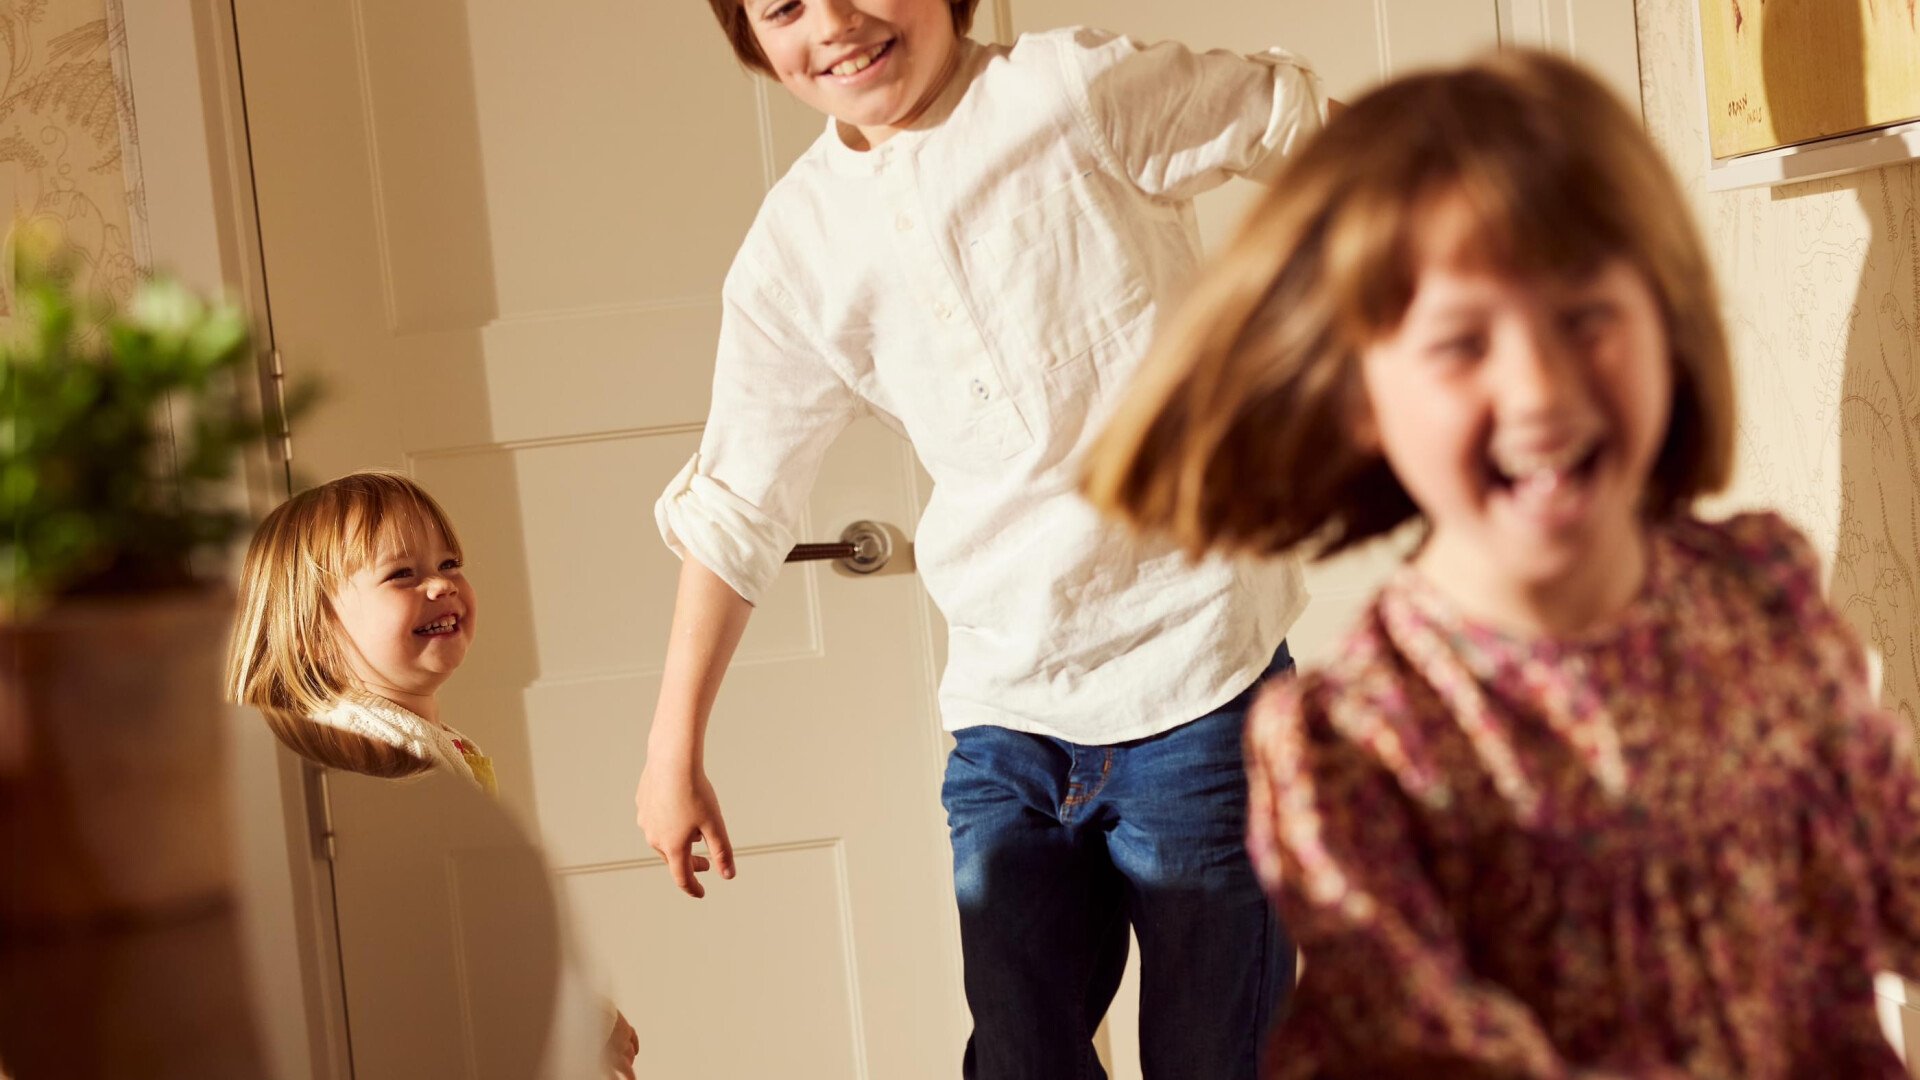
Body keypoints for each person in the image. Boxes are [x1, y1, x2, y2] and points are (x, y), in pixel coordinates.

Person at [1084, 47, 1920, 1079]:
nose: (1538, 389)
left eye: (1587, 318)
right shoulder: (1360, 747)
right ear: (1360, 400)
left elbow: (1887, 865)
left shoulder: (1757, 591)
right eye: (1461, 342)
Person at [642, 1, 1330, 1073]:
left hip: (1203, 685)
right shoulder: (796, 250)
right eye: (782, 7)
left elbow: (1289, 120)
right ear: (752, 41)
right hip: (1009, 714)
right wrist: (671, 747)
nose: (833, 23)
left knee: (1219, 1056)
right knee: (1018, 1058)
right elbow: (738, 502)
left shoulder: (1070, 91)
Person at [228, 470, 640, 1078]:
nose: (441, 583)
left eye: (450, 562)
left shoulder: (404, 740)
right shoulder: (374, 757)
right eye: (403, 574)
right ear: (315, 630)